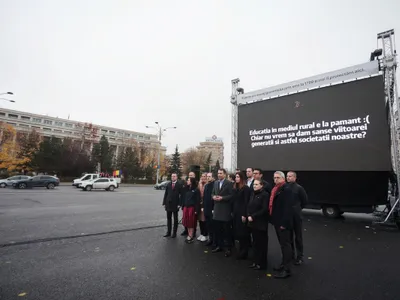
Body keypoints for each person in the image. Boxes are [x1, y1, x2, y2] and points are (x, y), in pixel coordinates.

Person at [269, 171, 294, 279]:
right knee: (282, 245)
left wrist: (284, 223)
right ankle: (283, 264)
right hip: (277, 221)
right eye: (274, 178)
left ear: (283, 178)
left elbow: (288, 208)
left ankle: (287, 269)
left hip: (283, 223)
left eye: (278, 177)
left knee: (285, 245)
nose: (275, 179)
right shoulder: (276, 188)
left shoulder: (286, 189)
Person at [247, 179, 270, 270]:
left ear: (261, 185)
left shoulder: (265, 195)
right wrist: (248, 214)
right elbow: (249, 206)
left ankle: (262, 263)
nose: (254, 186)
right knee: (255, 243)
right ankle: (255, 261)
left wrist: (253, 216)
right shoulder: (253, 194)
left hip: (260, 223)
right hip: (252, 222)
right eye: (254, 185)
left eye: (256, 184)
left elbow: (264, 209)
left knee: (262, 244)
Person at [286, 171, 308, 265]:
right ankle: (291, 255)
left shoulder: (299, 188)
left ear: (295, 178)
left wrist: (297, 208)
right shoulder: (285, 187)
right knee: (289, 236)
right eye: (287, 176)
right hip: (287, 216)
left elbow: (304, 201)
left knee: (298, 237)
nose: (288, 178)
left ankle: (300, 256)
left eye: (290, 176)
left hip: (296, 216)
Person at [211, 168, 234, 257]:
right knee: (218, 230)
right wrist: (213, 197)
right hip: (217, 210)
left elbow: (232, 195)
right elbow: (212, 193)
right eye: (218, 173)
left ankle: (228, 248)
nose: (219, 175)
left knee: (226, 231)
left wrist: (222, 198)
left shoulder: (229, 183)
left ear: (225, 174)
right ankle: (219, 246)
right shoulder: (216, 183)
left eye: (221, 173)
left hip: (225, 210)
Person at [232, 172, 251, 259]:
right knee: (238, 232)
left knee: (243, 233)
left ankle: (244, 252)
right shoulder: (235, 188)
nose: (236, 178)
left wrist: (244, 214)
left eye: (238, 177)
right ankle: (240, 250)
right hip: (236, 213)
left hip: (242, 213)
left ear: (242, 178)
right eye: (235, 177)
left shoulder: (246, 188)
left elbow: (246, 202)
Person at [162, 173, 183, 238]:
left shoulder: (179, 185)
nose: (173, 177)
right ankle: (168, 232)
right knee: (169, 218)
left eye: (174, 176)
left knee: (175, 219)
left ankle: (174, 233)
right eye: (172, 176)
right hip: (168, 204)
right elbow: (166, 194)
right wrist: (164, 203)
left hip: (175, 204)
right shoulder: (169, 184)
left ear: (176, 177)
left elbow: (181, 195)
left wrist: (180, 204)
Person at [182, 177, 201, 243]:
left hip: (192, 208)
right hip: (186, 208)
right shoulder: (186, 189)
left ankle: (191, 236)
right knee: (186, 222)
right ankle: (189, 234)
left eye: (188, 180)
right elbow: (183, 198)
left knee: (191, 222)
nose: (187, 181)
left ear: (192, 181)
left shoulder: (196, 190)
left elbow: (197, 201)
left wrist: (196, 210)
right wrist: (183, 206)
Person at [181, 171, 196, 236]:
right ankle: (186, 230)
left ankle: (192, 233)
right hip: (185, 205)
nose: (190, 176)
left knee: (192, 220)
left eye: (192, 175)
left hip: (192, 206)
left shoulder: (196, 185)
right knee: (185, 219)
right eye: (189, 175)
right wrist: (182, 204)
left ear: (194, 176)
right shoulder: (186, 185)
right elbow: (183, 195)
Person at [203, 172, 215, 246]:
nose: (208, 177)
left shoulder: (214, 185)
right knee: (208, 225)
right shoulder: (206, 185)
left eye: (209, 176)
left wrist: (213, 208)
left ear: (213, 177)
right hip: (206, 209)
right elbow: (204, 197)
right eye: (207, 176)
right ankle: (210, 239)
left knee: (213, 226)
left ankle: (214, 241)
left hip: (212, 209)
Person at [197, 173, 208, 242]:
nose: (203, 178)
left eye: (204, 176)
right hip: (199, 204)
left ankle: (205, 234)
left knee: (204, 220)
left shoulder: (207, 185)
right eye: (202, 176)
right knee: (200, 220)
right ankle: (201, 233)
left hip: (205, 204)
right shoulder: (199, 184)